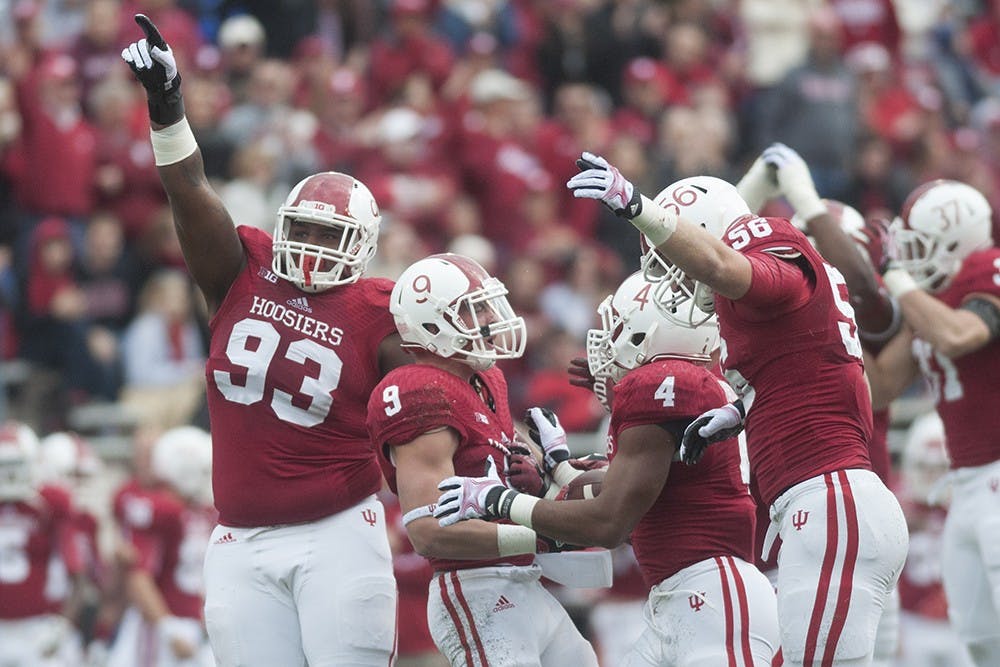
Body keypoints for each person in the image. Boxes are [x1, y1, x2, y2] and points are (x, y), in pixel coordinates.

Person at [121, 15, 405, 666]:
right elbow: (187, 187)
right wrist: (168, 110)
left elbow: (436, 400)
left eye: (331, 236)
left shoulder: (379, 310)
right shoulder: (242, 268)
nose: (313, 247)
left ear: (362, 245)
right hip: (239, 536)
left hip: (337, 531)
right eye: (303, 229)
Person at [565, 153, 908, 666]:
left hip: (832, 500)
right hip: (829, 504)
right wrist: (744, 412)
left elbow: (725, 263)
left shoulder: (768, 240)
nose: (677, 282)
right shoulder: (772, 307)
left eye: (679, 261)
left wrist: (636, 206)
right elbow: (825, 376)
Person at [434, 270, 780, 665]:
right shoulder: (693, 384)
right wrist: (560, 469)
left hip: (711, 597)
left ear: (646, 334)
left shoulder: (663, 385)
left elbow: (609, 523)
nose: (606, 343)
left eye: (618, 327)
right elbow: (624, 489)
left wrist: (499, 500)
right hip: (684, 597)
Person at [366, 253, 599, 667]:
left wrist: (554, 462)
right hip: (474, 587)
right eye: (476, 310)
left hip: (522, 579)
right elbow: (428, 530)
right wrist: (542, 535)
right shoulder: (420, 390)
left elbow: (500, 458)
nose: (491, 318)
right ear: (435, 326)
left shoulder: (484, 376)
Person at [862, 179, 1000, 667]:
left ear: (957, 240)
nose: (909, 259)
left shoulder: (988, 270)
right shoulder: (935, 296)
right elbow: (879, 386)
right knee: (980, 638)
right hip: (964, 484)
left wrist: (896, 277)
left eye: (921, 247)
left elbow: (959, 334)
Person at [107, 426, 216, 667]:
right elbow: (138, 575)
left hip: (199, 626)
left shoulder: (206, 512)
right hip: (161, 625)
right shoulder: (159, 510)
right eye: (202, 469)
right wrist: (167, 629)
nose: (208, 476)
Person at [0, 421, 85, 666]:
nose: (10, 475)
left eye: (15, 466)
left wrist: (63, 626)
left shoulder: (50, 502)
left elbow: (77, 575)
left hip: (37, 628)